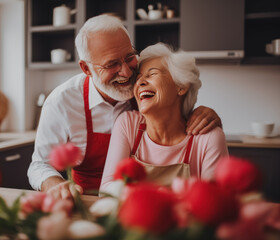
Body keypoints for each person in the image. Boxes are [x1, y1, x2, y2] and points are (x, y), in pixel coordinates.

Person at [28, 15, 222, 200]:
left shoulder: (143, 89)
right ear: (87, 69)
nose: (128, 72)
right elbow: (39, 164)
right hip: (87, 202)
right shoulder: (62, 103)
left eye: (130, 57)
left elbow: (176, 104)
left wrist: (204, 114)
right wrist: (54, 184)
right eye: (112, 64)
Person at [100, 43, 228, 192]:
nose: (140, 82)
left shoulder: (208, 137)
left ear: (181, 86)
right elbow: (107, 190)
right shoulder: (128, 124)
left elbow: (215, 202)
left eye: (152, 74)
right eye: (139, 78)